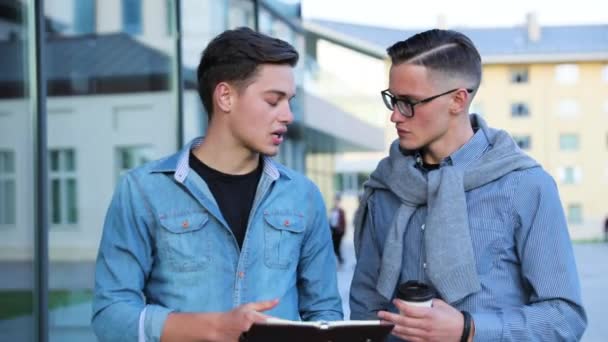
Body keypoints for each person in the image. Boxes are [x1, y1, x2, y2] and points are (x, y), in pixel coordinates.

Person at [92, 27, 342, 342]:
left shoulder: (303, 195)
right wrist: (215, 327)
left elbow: (326, 314)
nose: (288, 115)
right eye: (273, 101)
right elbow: (110, 316)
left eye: (289, 101)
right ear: (225, 96)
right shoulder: (142, 190)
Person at [350, 29, 586, 341]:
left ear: (458, 100)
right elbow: (365, 307)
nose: (395, 115)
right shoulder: (385, 187)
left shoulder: (526, 185)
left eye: (408, 102)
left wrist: (469, 329)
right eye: (392, 100)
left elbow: (564, 318)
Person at [329, 194, 346, 264]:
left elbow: (343, 222)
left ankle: (341, 260)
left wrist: (342, 231)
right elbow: (330, 220)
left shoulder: (341, 211)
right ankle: (340, 260)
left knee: (337, 247)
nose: (335, 202)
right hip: (333, 231)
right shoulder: (332, 210)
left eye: (336, 200)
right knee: (334, 247)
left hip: (339, 232)